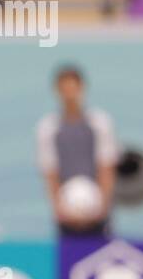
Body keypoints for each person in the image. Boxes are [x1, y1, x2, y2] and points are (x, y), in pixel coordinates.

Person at [35, 66, 118, 238]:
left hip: (98, 213)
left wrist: (102, 207)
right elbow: (50, 171)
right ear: (57, 91)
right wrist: (59, 208)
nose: (69, 94)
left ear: (82, 88)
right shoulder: (47, 127)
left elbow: (106, 167)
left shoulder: (100, 123)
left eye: (73, 88)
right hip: (66, 215)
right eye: (65, 89)